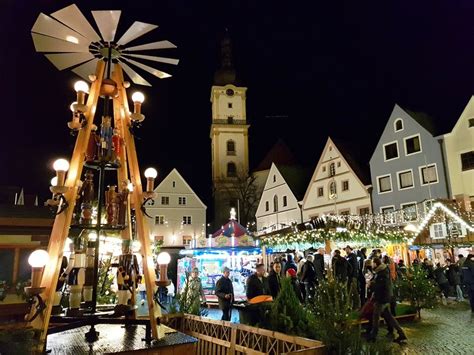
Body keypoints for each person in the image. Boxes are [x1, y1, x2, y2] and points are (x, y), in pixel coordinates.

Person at [367, 257, 407, 343]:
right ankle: (401, 333)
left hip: (382, 298)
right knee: (389, 317)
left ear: (376, 263)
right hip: (384, 297)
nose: (372, 265)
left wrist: (371, 285)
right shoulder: (380, 271)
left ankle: (373, 335)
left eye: (373, 263)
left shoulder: (382, 272)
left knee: (376, 316)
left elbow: (381, 286)